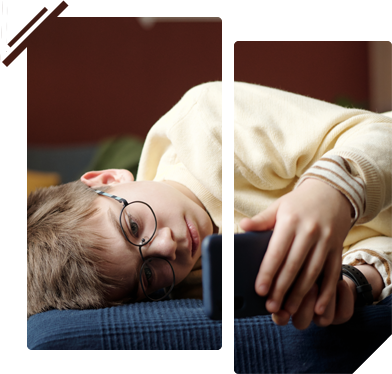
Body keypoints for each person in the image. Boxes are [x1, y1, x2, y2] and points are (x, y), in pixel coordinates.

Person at [1, 81, 391, 330]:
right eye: (148, 275)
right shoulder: (196, 284)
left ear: (108, 179)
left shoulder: (205, 125)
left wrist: (330, 191)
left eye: (133, 226)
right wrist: (361, 277)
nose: (167, 248)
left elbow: (382, 133)